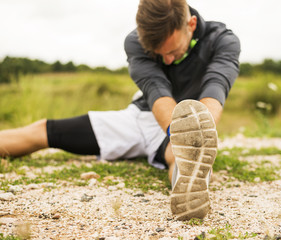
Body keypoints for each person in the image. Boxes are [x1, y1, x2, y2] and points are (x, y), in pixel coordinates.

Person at [0, 0, 240, 220]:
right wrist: (180, 132)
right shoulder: (135, 41)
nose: (166, 60)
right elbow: (156, 91)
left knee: (182, 155)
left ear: (192, 24)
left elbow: (215, 88)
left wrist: (197, 134)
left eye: (172, 51)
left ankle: (189, 190)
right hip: (141, 116)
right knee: (47, 130)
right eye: (159, 54)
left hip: (189, 121)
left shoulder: (223, 41)